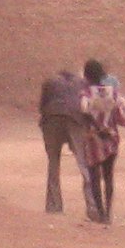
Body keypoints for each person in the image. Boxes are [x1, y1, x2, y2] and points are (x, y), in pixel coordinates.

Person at [78, 59, 125, 224]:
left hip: (94, 139)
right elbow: (122, 109)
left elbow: (84, 110)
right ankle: (108, 213)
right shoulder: (112, 92)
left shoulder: (85, 94)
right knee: (108, 176)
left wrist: (95, 126)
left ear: (86, 75)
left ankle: (99, 211)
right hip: (111, 138)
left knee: (94, 177)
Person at [37, 67, 88, 213]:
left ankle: (54, 206)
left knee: (53, 163)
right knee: (83, 162)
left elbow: (42, 106)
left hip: (51, 118)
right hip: (75, 119)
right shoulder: (82, 83)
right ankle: (92, 205)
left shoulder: (49, 82)